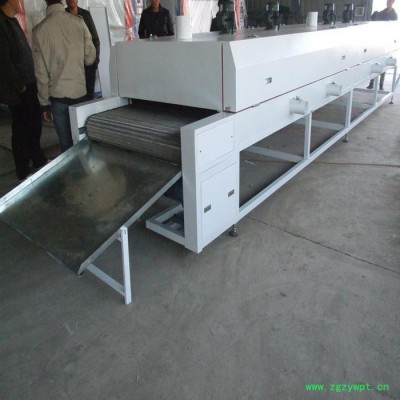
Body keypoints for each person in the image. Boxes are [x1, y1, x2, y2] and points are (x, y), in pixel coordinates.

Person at [32, 0, 96, 153]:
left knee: (67, 147)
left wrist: (44, 104)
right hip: (79, 94)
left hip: (57, 97)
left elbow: (41, 73)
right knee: (84, 143)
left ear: (45, 1)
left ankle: (70, 168)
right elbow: (90, 58)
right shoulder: (79, 22)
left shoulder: (38, 31)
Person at [0, 0, 48, 181]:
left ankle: (37, 158)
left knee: (34, 122)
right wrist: (19, 85)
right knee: (21, 127)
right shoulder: (2, 24)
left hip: (28, 82)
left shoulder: (12, 21)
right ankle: (23, 168)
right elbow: (4, 61)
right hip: (19, 88)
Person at [65, 0, 100, 100]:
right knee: (75, 98)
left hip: (88, 64)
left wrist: (96, 60)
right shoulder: (63, 15)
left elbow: (95, 39)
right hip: (71, 65)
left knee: (89, 96)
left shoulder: (85, 15)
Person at [367, 0, 398, 90]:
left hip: (387, 42)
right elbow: (375, 22)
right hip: (379, 41)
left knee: (384, 63)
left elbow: (393, 28)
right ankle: (371, 83)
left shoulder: (394, 15)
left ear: (393, 2)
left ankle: (381, 85)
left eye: (390, 1)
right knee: (375, 62)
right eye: (387, 1)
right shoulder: (381, 13)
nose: (388, 3)